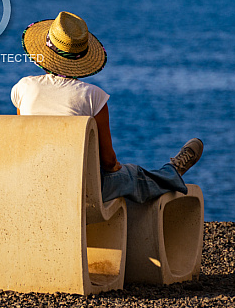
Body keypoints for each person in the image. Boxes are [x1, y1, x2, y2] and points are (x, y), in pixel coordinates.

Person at [11, 11, 203, 203]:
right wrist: (115, 168)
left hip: (29, 182)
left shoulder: (23, 87)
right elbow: (109, 161)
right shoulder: (93, 96)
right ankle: (172, 171)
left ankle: (167, 173)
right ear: (80, 58)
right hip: (79, 191)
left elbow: (23, 139)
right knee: (133, 176)